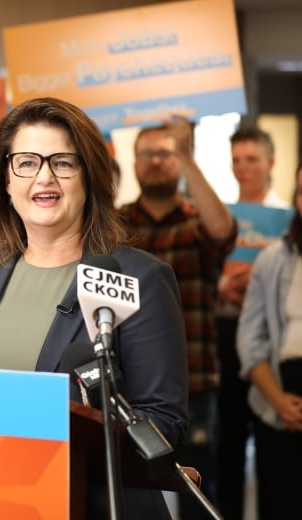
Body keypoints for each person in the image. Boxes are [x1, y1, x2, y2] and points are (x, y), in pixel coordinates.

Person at [0, 97, 188, 519]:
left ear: (89, 176)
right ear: (5, 180)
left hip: (94, 504)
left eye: (63, 162)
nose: (44, 177)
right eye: (27, 163)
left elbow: (164, 421)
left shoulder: (140, 277)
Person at [119, 118, 237, 518]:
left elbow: (223, 231)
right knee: (131, 493)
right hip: (125, 388)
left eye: (164, 154)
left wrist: (187, 155)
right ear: (133, 163)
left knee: (198, 492)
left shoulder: (196, 221)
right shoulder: (114, 226)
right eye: (146, 154)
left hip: (194, 382)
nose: (155, 161)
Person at [217, 125, 291, 520]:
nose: (244, 168)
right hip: (225, 334)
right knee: (227, 442)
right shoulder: (220, 218)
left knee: (271, 441)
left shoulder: (289, 219)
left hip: (272, 340)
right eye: (237, 161)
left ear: (271, 163)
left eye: (252, 160)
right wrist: (224, 286)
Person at [237, 162, 302, 519]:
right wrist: (279, 402)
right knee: (281, 503)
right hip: (278, 395)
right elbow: (251, 341)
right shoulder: (272, 260)